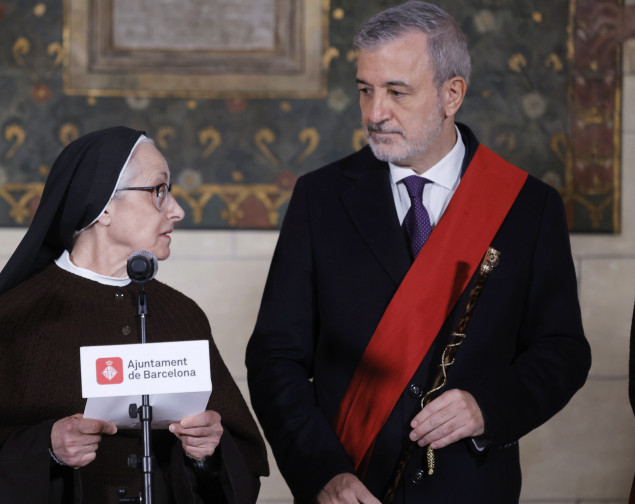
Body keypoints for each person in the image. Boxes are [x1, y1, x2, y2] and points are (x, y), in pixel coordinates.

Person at [245, 2, 591, 503]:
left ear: (452, 94)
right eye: (365, 89)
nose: (374, 112)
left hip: (470, 486)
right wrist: (323, 473)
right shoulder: (318, 199)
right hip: (351, 485)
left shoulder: (529, 207)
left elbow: (562, 350)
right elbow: (276, 358)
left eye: (396, 92)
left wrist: (486, 408)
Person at [0, 126, 269, 503]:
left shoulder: (183, 314)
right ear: (104, 206)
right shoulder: (19, 316)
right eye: (159, 191)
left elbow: (242, 462)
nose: (177, 210)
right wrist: (48, 449)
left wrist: (208, 453)